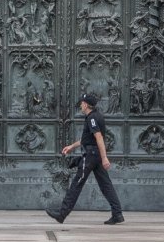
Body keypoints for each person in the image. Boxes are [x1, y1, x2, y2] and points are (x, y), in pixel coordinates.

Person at [47, 93, 123, 225]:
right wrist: (71, 146)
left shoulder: (92, 118)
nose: (80, 105)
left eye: (82, 103)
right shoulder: (96, 116)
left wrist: (105, 158)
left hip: (91, 156)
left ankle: (62, 214)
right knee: (106, 185)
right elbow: (88, 138)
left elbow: (99, 138)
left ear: (86, 104)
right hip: (95, 155)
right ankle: (117, 214)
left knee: (77, 183)